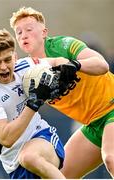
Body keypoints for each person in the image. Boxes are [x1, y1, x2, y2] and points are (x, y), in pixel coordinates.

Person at [10, 7, 114, 178]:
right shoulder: (26, 72)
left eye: (29, 29)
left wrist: (76, 65)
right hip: (93, 124)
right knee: (58, 175)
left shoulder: (62, 45)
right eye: (19, 32)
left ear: (44, 32)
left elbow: (102, 65)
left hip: (111, 107)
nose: (24, 35)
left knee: (111, 158)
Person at [0, 28, 67, 179]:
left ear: (15, 57)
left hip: (42, 137)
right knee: (25, 158)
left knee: (28, 157)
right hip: (14, 164)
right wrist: (33, 104)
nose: (3, 67)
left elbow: (57, 61)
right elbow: (6, 139)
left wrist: (65, 71)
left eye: (7, 60)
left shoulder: (26, 66)